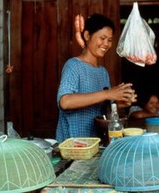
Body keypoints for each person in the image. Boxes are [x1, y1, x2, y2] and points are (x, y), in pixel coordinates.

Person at [56, 13, 137, 143]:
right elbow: (65, 102)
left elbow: (104, 109)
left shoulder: (102, 72)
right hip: (73, 146)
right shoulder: (73, 65)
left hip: (97, 143)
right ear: (87, 36)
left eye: (110, 40)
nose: (106, 44)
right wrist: (108, 93)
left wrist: (120, 103)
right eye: (102, 38)